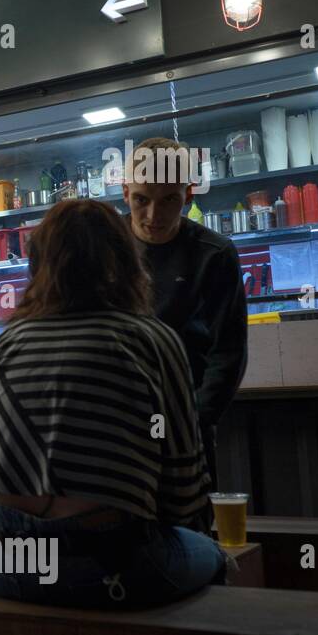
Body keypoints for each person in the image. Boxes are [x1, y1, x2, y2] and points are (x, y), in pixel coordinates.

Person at [0, 200, 227, 609]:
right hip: (108, 566)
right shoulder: (151, 338)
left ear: (38, 265)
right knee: (214, 555)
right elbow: (183, 489)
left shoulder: (8, 342)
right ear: (126, 261)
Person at [124, 137, 248, 488]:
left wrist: (194, 420)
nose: (153, 216)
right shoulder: (106, 246)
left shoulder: (215, 253)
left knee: (191, 528)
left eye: (169, 200)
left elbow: (229, 350)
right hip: (117, 420)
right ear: (125, 192)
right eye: (141, 200)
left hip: (187, 415)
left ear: (188, 195)